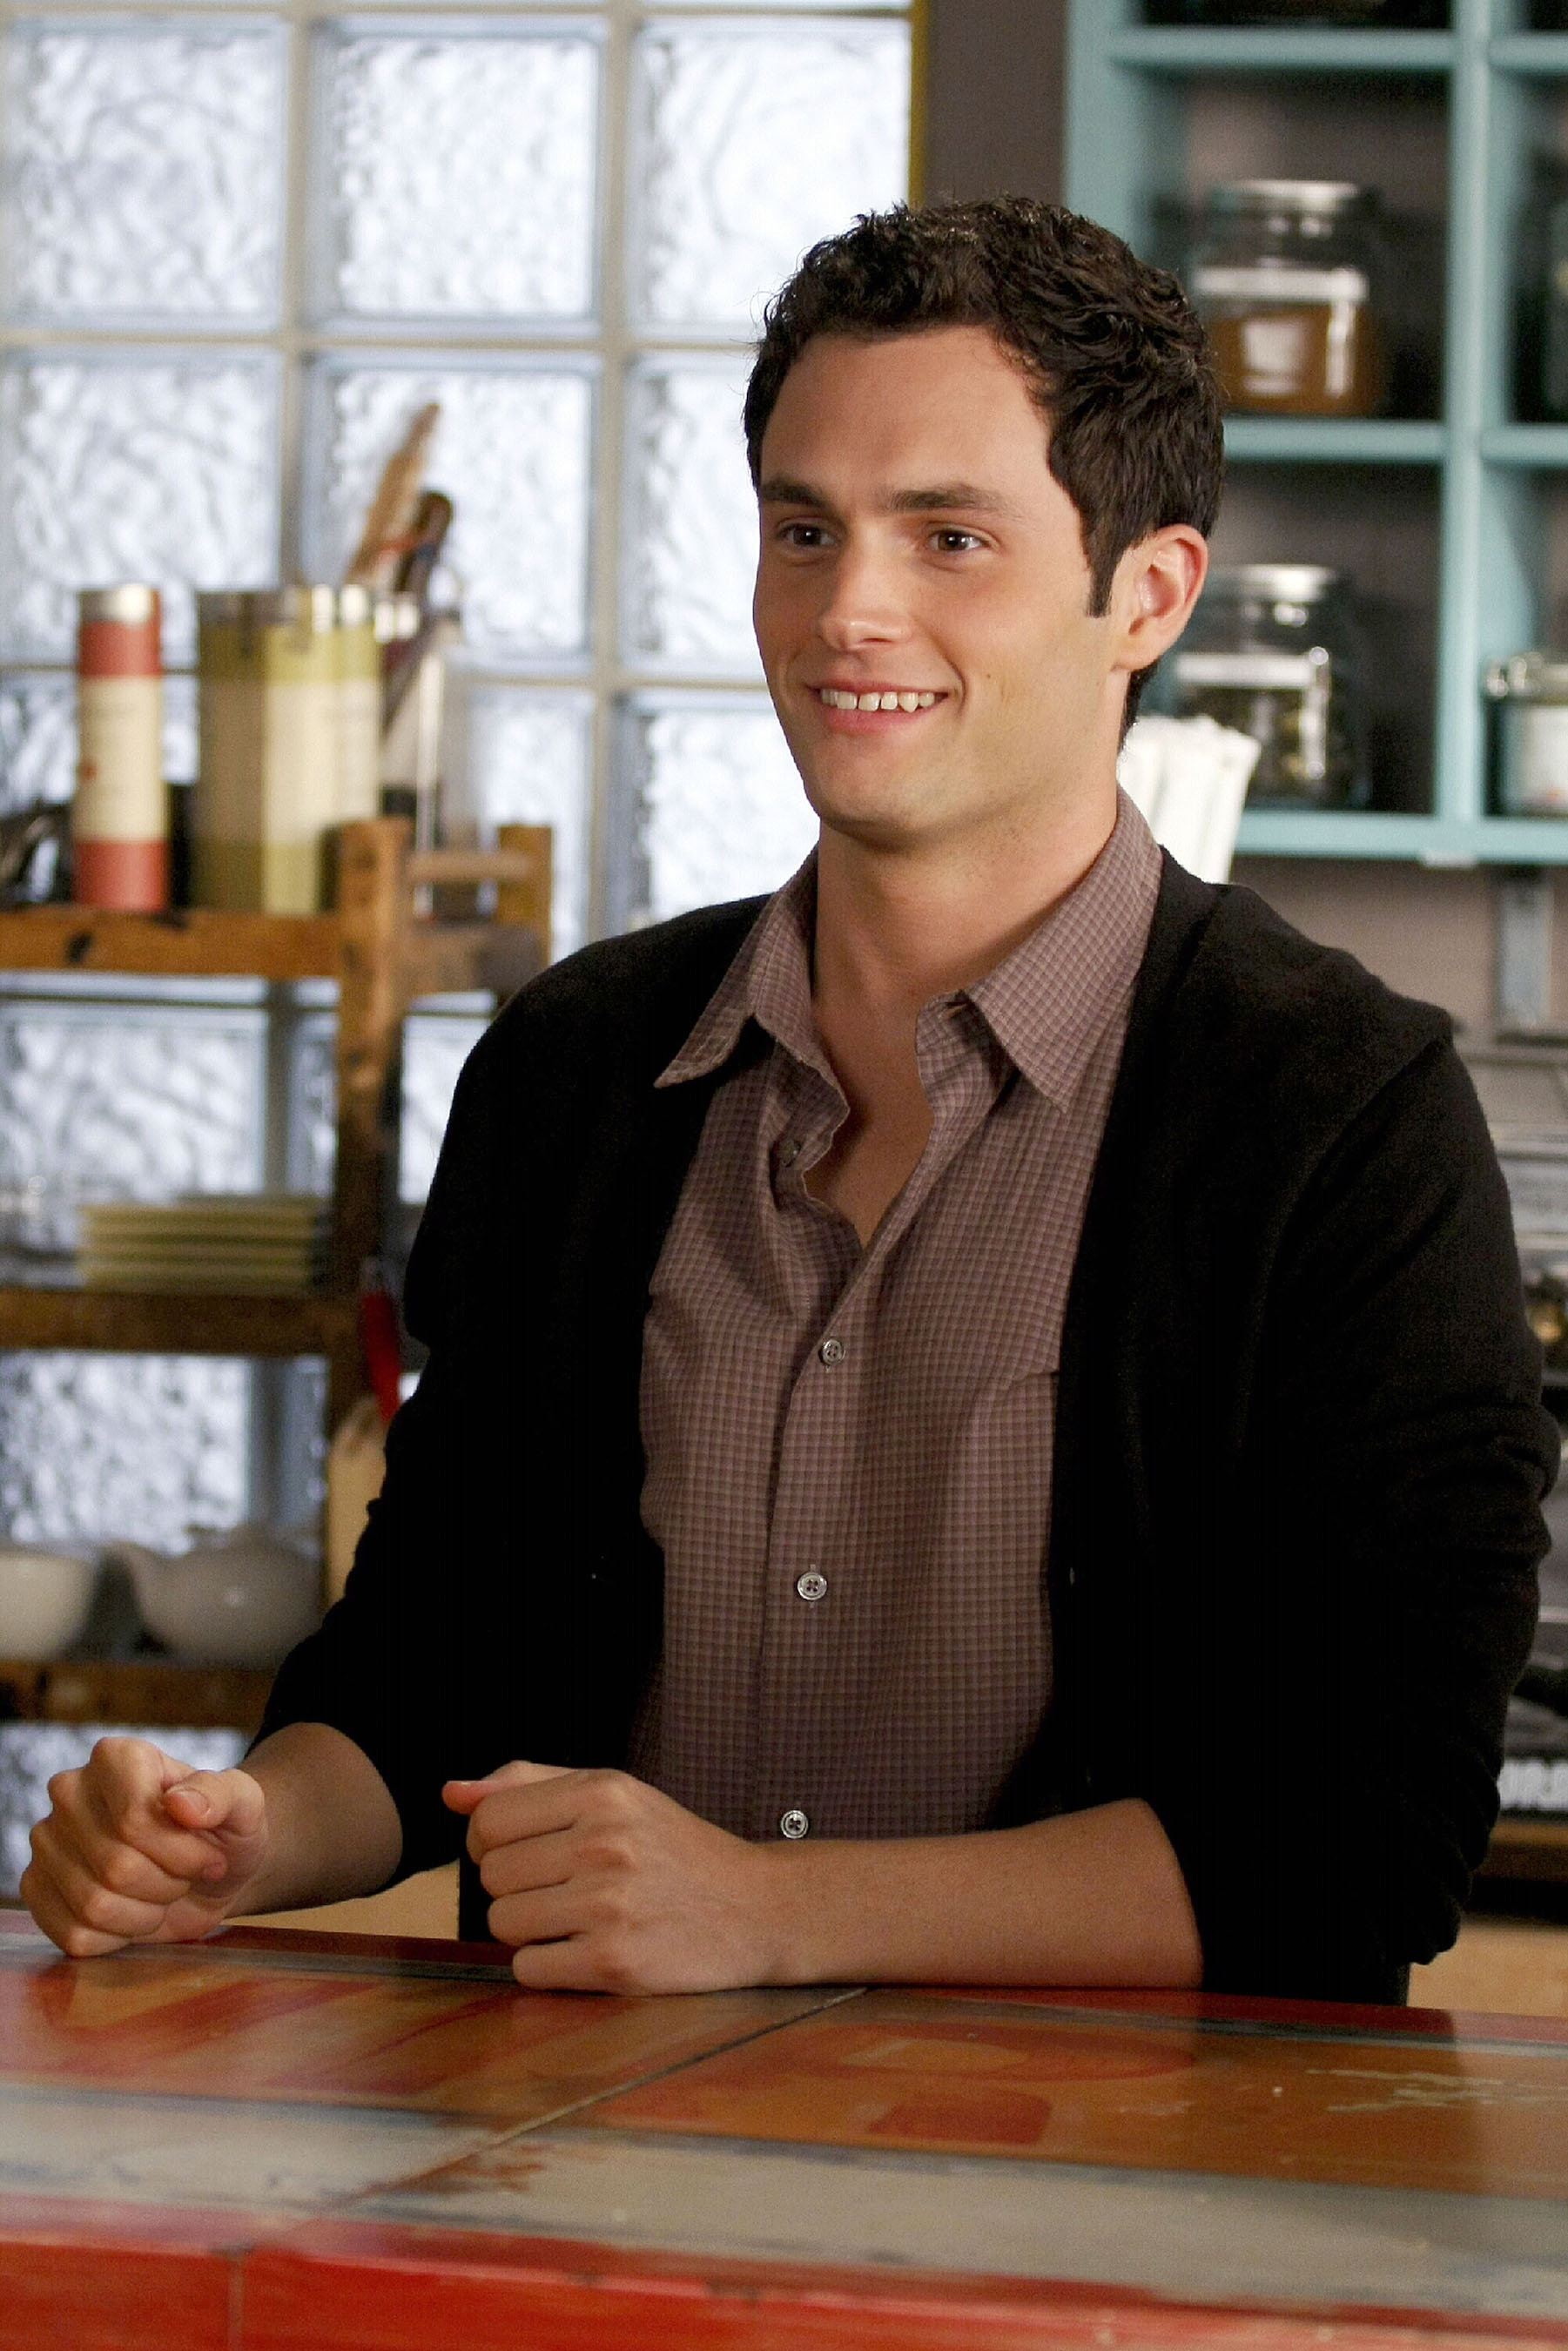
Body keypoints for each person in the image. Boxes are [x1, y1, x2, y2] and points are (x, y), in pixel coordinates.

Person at [24, 199, 1556, 2005]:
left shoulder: (1338, 1116)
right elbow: (431, 1668)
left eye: (950, 537)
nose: (850, 612)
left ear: (1147, 593)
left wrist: (767, 1916)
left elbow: (1356, 1839)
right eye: (803, 529)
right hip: (589, 2191)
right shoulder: (578, 1070)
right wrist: (243, 1834)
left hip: (1120, 2232)